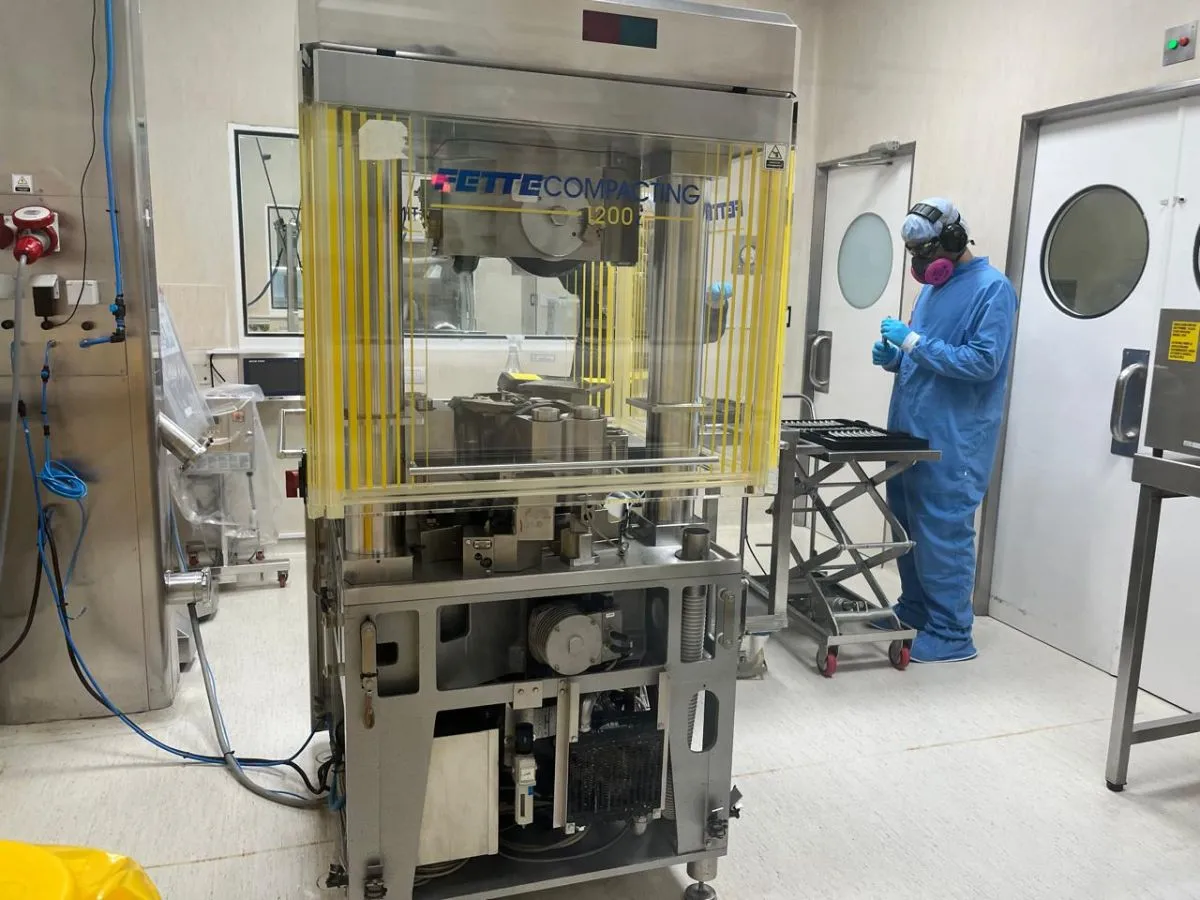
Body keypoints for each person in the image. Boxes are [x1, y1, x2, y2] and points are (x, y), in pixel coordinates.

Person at [871, 198, 1017, 663]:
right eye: (914, 254)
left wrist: (914, 341)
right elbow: (926, 358)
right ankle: (915, 609)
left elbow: (983, 362)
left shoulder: (993, 290)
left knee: (942, 531)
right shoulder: (933, 290)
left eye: (926, 251)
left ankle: (952, 633)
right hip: (910, 430)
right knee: (907, 525)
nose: (921, 263)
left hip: (954, 438)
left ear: (954, 239)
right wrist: (896, 357)